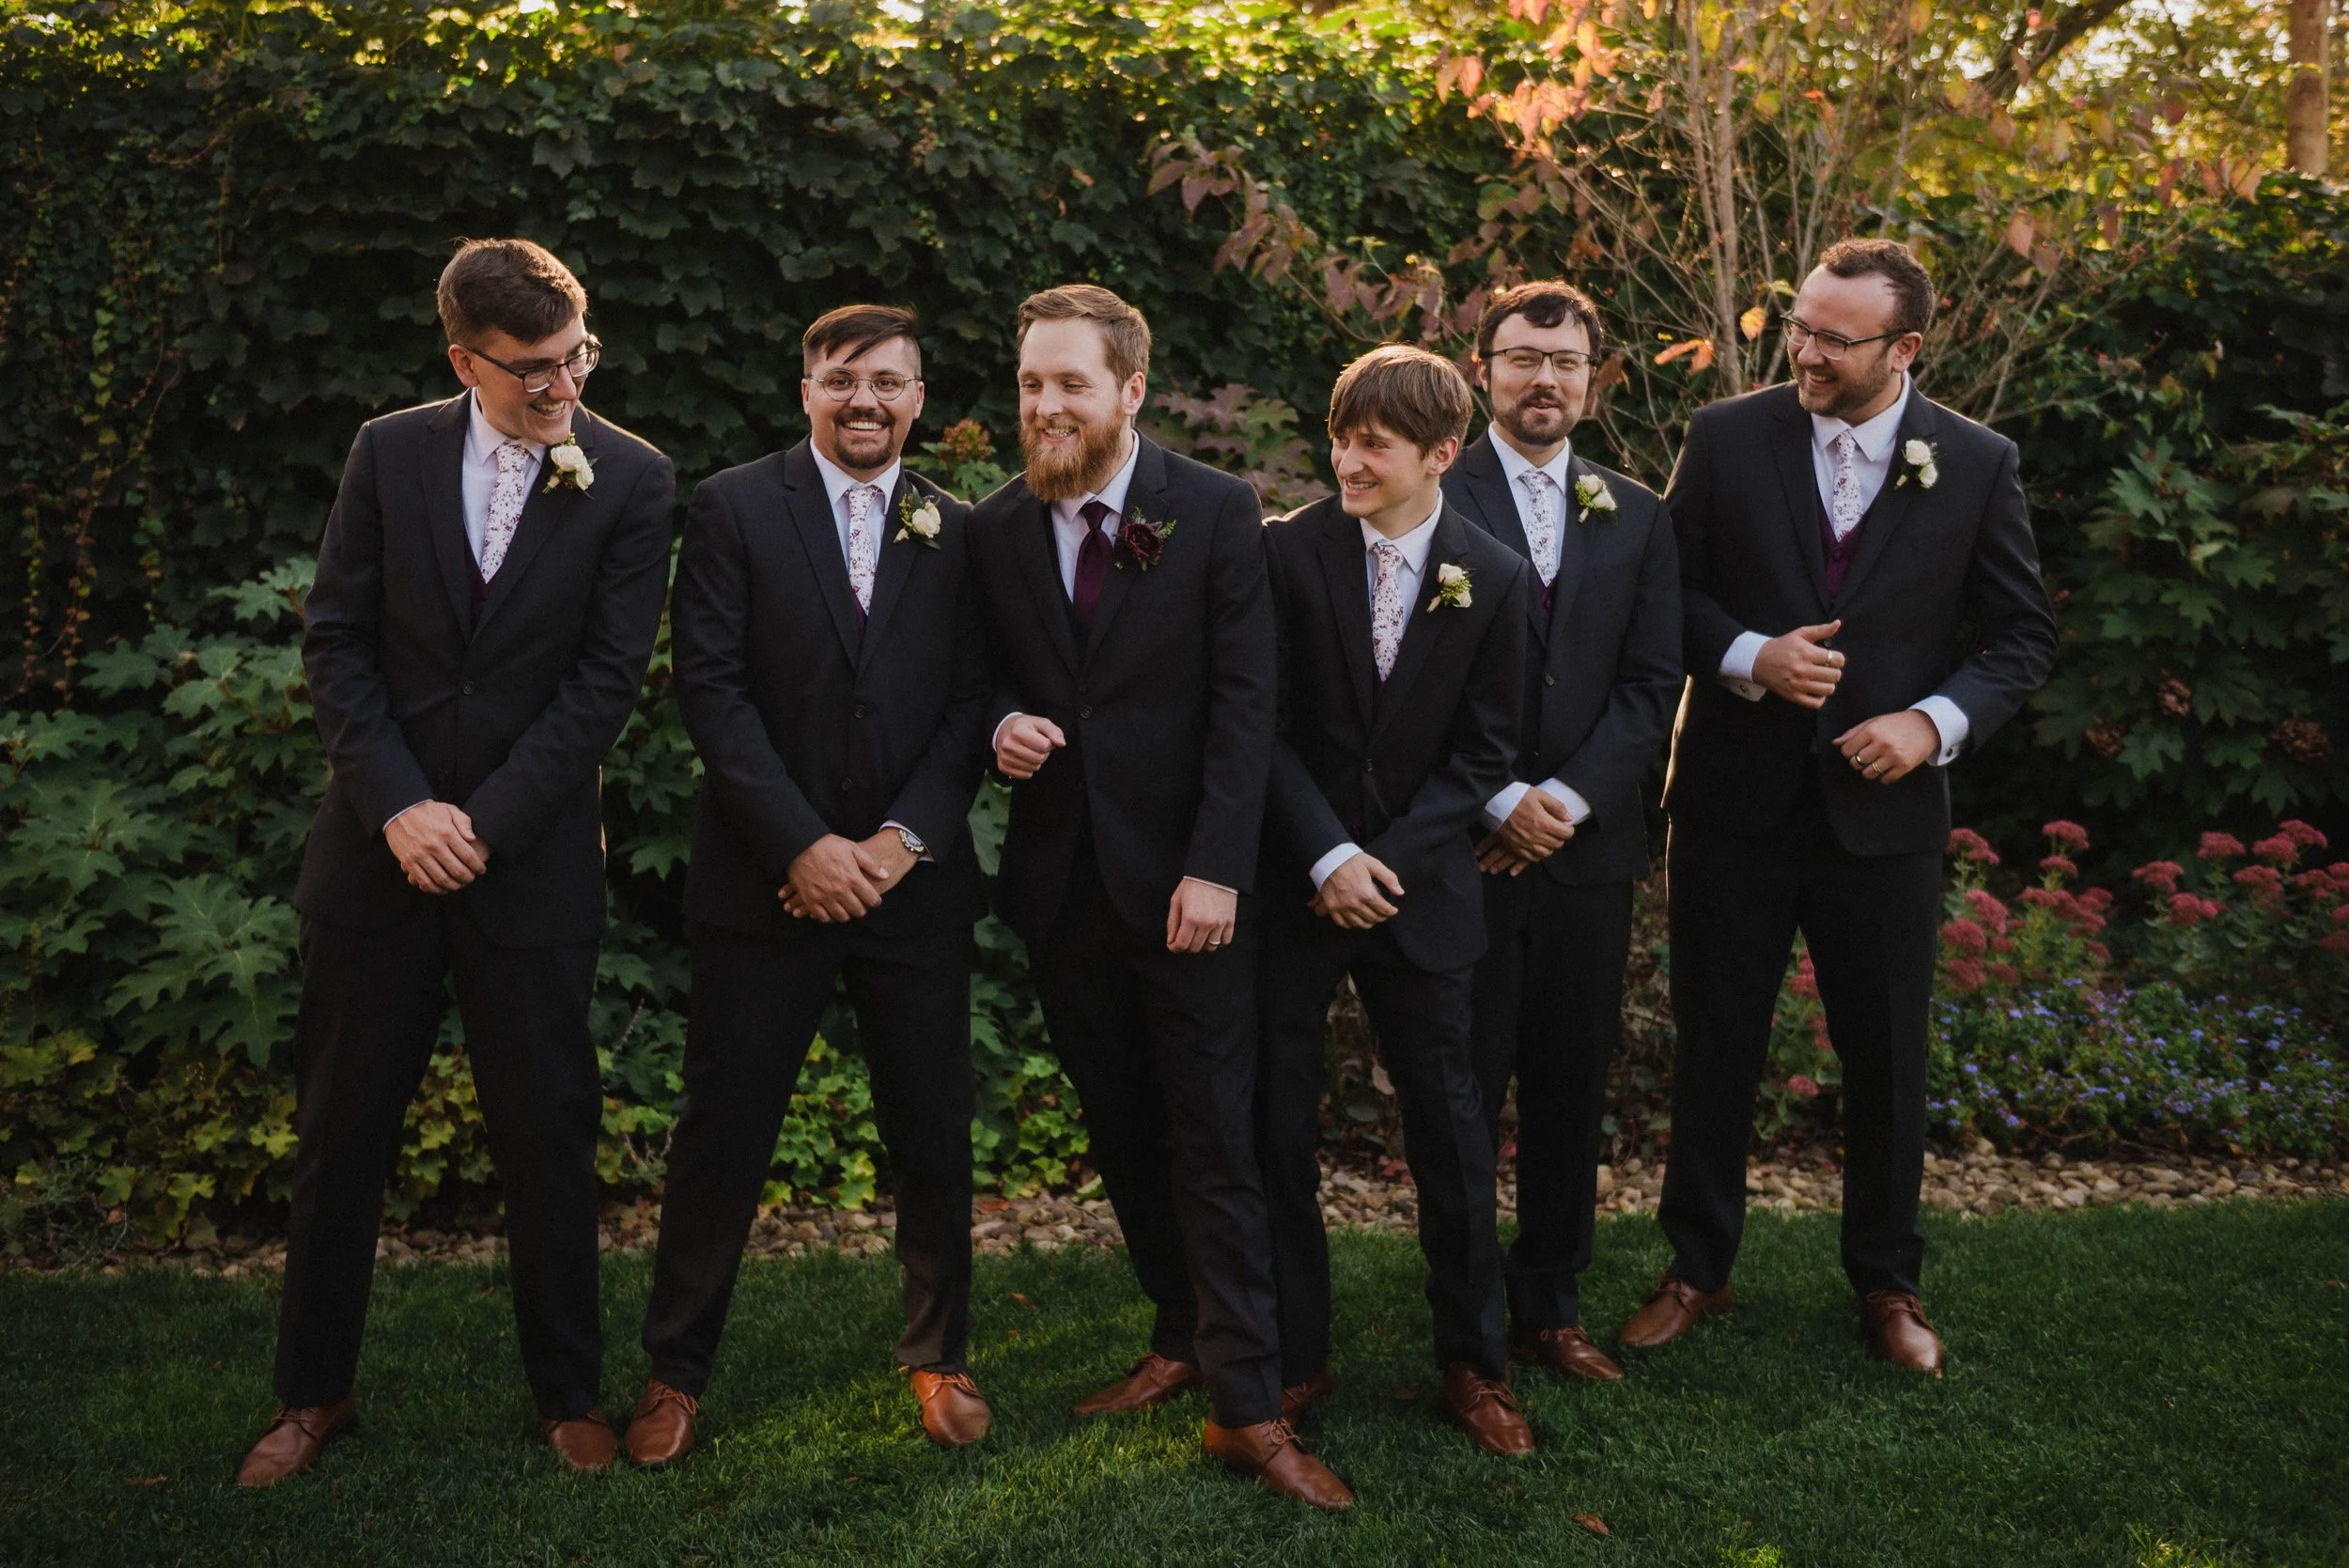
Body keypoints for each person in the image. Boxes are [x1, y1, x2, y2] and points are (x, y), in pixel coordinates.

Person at [241, 238, 674, 1485]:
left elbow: (603, 686)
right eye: (532, 370)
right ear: (463, 360)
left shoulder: (633, 478)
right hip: (375, 859)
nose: (561, 390)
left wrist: (477, 822)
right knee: (340, 1137)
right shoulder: (390, 451)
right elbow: (338, 646)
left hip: (527, 864)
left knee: (547, 1132)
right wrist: (401, 812)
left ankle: (568, 1392)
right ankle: (312, 1395)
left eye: (575, 358)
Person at [1630, 238, 2058, 1372]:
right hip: (1733, 802)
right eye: (1798, 327)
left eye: (1833, 337)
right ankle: (1695, 1271)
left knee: (1885, 1056)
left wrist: (1930, 723)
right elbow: (1660, 592)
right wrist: (1744, 655)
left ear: (1902, 348)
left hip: (1886, 820)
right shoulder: (1727, 436)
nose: (1804, 351)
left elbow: (2021, 638)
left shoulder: (1975, 461)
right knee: (1715, 1042)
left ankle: (1885, 1282)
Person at [964, 285, 1347, 1510]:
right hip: (1064, 887)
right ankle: (1180, 1328)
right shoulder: (992, 528)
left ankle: (1250, 1399)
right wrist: (997, 725)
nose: (1047, 403)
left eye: (1071, 382)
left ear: (1131, 389)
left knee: (1215, 1142)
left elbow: (1250, 703)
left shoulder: (1216, 511)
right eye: (1032, 383)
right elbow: (967, 680)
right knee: (1122, 1122)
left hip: (1194, 889)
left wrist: (1219, 866)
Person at [626, 305, 993, 1467]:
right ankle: (674, 1372)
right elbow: (713, 692)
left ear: (919, 398)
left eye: (889, 383)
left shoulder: (960, 529)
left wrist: (892, 844)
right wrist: (802, 846)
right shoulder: (735, 507)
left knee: (930, 1128)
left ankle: (939, 1354)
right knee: (722, 1132)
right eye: (843, 381)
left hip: (912, 886)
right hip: (762, 884)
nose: (865, 402)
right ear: (806, 391)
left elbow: (969, 703)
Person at [1255, 345, 1534, 1458]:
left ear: (1440, 454)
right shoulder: (1282, 555)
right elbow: (1257, 724)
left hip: (1421, 897)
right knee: (1272, 1121)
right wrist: (1325, 854)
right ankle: (1293, 1354)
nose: (1348, 459)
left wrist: (1384, 859)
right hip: (1294, 885)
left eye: (1373, 443)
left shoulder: (1496, 576)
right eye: (1341, 435)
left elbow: (1486, 756)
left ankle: (1473, 1362)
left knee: (1453, 1130)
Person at [1443, 282, 1682, 1385]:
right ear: (1481, 367)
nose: (1545, 379)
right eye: (1523, 358)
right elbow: (1401, 685)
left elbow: (1649, 685)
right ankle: (1469, 1318)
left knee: (1569, 1081)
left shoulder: (1634, 511)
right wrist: (1497, 800)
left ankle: (1551, 1303)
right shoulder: (1428, 493)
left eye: (1567, 362)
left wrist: (1568, 802)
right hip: (1464, 846)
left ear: (1594, 378)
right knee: (1464, 1082)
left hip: (1587, 852)